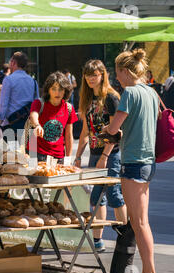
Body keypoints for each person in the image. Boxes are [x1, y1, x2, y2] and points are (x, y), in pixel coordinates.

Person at [102, 48, 159, 273]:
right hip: (148, 161)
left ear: (125, 71)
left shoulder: (130, 93)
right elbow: (142, 125)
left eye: (117, 74)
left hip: (133, 162)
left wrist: (107, 131)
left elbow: (114, 128)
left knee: (139, 222)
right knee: (141, 221)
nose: (117, 79)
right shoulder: (151, 92)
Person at [74, 59, 128, 252]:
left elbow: (115, 132)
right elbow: (85, 132)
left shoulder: (111, 98)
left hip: (110, 154)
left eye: (94, 74)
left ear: (102, 75)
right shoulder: (88, 100)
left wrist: (105, 156)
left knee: (113, 194)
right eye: (88, 75)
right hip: (94, 155)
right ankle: (98, 241)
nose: (90, 78)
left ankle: (126, 237)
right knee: (97, 198)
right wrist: (78, 156)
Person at [26, 71, 78, 162]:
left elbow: (69, 135)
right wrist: (37, 126)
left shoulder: (69, 108)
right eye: (53, 89)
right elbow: (33, 115)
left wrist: (68, 158)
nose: (57, 93)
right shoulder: (39, 103)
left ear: (65, 91)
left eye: (60, 89)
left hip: (58, 157)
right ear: (48, 90)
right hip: (36, 154)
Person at [0, 51, 39, 141]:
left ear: (13, 63)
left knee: (12, 153)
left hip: (12, 124)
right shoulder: (33, 81)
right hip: (29, 123)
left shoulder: (8, 80)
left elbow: (3, 103)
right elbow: (37, 104)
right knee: (30, 153)